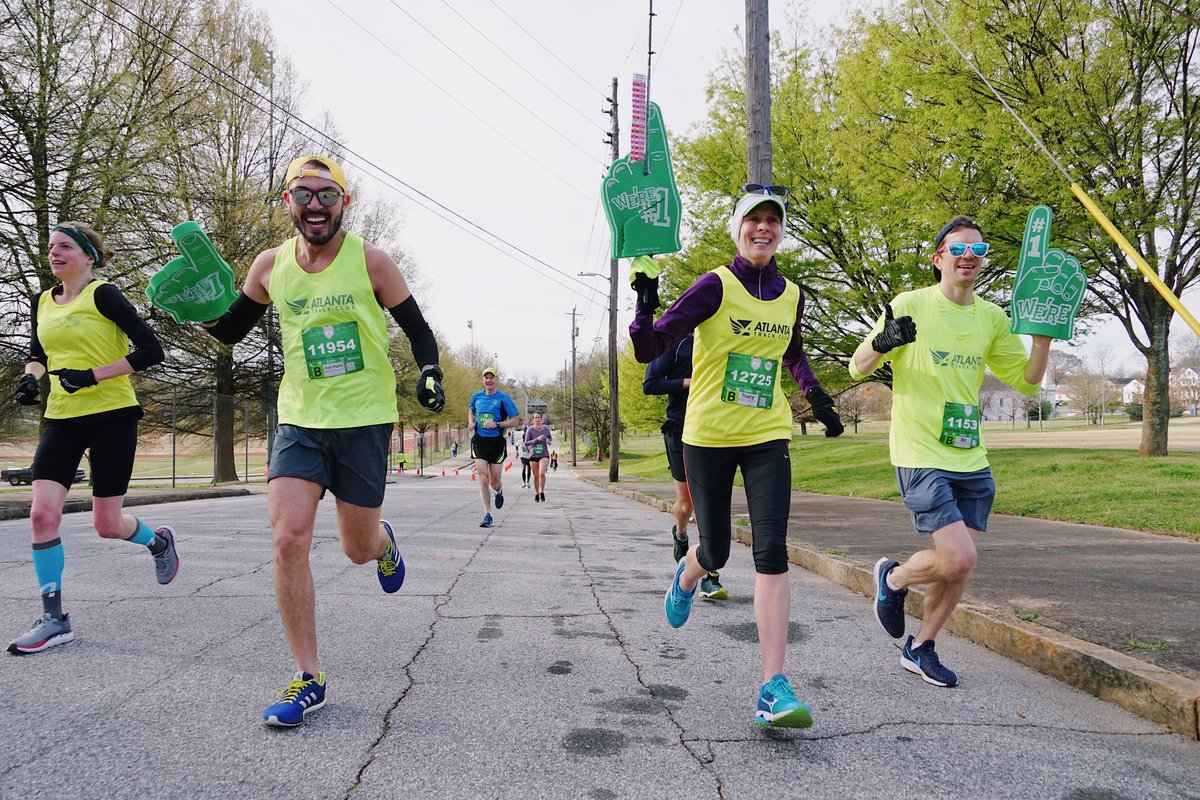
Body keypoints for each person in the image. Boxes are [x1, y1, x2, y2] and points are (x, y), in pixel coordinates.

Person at [197, 155, 445, 726]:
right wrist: (200, 311)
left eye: (326, 195)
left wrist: (429, 370)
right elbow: (231, 329)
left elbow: (419, 331)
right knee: (288, 540)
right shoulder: (269, 266)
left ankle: (384, 544)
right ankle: (308, 676)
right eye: (303, 194)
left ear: (343, 203)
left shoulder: (372, 261)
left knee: (356, 548)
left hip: (362, 421)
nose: (315, 205)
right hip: (300, 421)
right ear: (287, 201)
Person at [630, 185, 844, 728]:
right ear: (738, 228)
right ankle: (687, 574)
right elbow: (649, 349)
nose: (764, 228)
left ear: (781, 232)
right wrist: (645, 300)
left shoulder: (792, 293)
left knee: (772, 550)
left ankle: (773, 687)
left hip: (768, 433)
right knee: (718, 552)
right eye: (754, 220)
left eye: (773, 221)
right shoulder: (714, 286)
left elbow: (792, 353)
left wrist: (817, 397)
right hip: (708, 436)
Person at [851, 215, 1050, 688]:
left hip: (969, 453)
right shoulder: (910, 304)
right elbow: (859, 366)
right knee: (959, 558)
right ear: (938, 257)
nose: (969, 257)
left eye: (978, 252)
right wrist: (882, 343)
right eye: (958, 249)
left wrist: (1042, 337)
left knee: (958, 564)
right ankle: (894, 579)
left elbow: (1027, 380)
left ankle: (921, 647)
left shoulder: (993, 318)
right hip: (919, 450)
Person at [7, 221, 176, 655]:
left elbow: (150, 350)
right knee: (43, 515)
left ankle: (158, 542)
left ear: (89, 256)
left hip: (112, 415)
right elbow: (38, 353)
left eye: (65, 247)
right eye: (51, 247)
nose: (55, 253)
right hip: (61, 417)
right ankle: (54, 618)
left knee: (106, 524)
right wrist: (31, 378)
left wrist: (92, 375)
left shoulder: (104, 294)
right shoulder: (42, 301)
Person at [643, 333, 726, 600]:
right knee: (686, 504)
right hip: (680, 428)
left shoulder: (725, 337)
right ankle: (680, 534)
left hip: (716, 427)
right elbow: (650, 383)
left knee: (708, 503)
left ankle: (710, 576)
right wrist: (689, 382)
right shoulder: (676, 342)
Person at [469, 367, 521, 527]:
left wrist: (497, 424)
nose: (489, 380)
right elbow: (470, 411)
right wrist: (471, 422)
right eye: (486, 378)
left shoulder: (503, 398)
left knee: (494, 481)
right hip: (479, 442)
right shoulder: (476, 396)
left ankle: (498, 491)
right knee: (483, 478)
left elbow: (515, 420)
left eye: (492, 377)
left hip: (497, 443)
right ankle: (488, 514)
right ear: (483, 380)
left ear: (497, 380)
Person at [523, 412, 553, 502]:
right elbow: (526, 442)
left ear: (542, 419)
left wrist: (548, 441)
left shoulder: (546, 429)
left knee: (542, 473)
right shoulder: (530, 430)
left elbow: (549, 438)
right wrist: (537, 439)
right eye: (536, 417)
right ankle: (536, 494)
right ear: (533, 419)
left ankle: (542, 492)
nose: (537, 419)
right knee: (536, 476)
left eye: (539, 417)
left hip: (544, 454)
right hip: (533, 455)